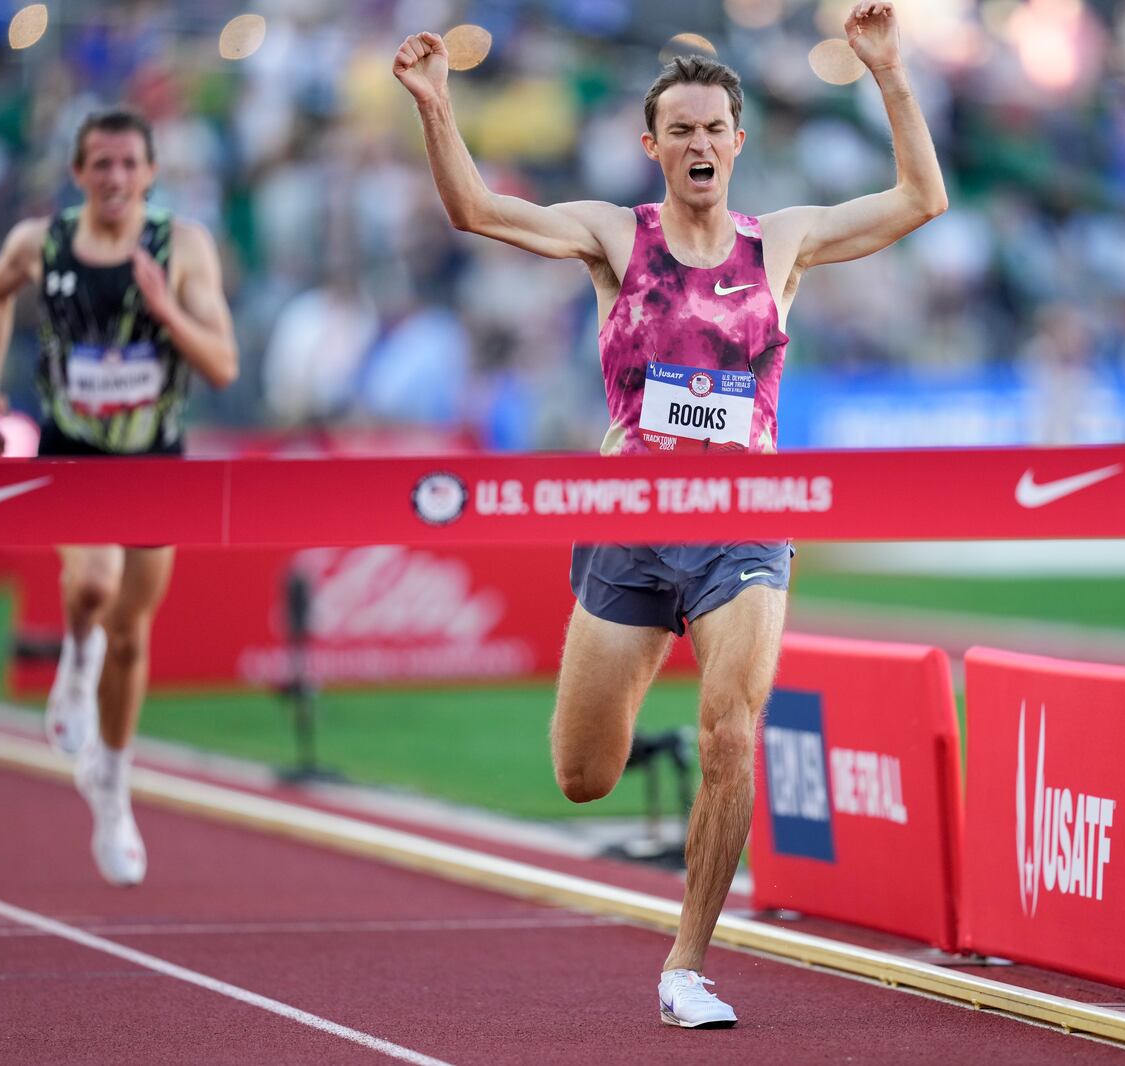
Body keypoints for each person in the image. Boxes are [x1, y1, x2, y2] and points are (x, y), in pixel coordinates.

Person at [394, 1, 944, 1027]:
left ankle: (685, 964)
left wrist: (888, 70)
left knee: (730, 732)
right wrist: (435, 102)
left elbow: (921, 196)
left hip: (744, 515)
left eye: (713, 129)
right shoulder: (616, 235)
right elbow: (476, 209)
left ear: (739, 143)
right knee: (581, 774)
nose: (699, 145)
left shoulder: (781, 243)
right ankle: (641, 730)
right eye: (679, 130)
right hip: (630, 519)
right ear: (653, 147)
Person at [0, 108, 238, 887]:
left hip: (155, 459)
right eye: (100, 165)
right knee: (92, 584)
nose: (115, 179)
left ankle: (112, 789)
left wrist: (165, 308)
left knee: (132, 635)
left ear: (150, 173)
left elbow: (223, 366)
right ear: (78, 173)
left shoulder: (181, 246)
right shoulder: (38, 243)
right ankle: (73, 663)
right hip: (72, 453)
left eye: (128, 165)